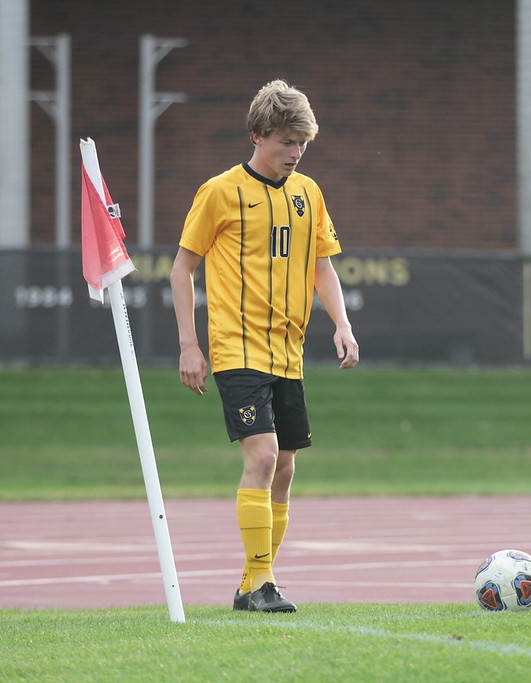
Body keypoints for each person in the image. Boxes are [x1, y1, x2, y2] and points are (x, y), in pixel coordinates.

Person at [170, 79, 359, 613]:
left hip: (289, 352)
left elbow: (322, 266)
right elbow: (182, 268)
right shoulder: (219, 192)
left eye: (302, 143)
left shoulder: (309, 193)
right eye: (286, 143)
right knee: (264, 455)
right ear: (257, 135)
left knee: (286, 468)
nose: (295, 154)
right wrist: (190, 344)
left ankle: (257, 581)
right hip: (237, 348)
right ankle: (258, 583)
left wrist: (342, 325)